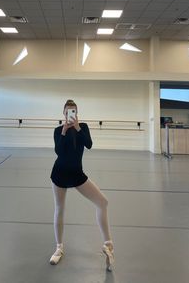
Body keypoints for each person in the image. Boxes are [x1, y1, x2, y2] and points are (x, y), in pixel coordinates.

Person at [50, 99, 115, 271]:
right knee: (59, 209)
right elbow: (59, 151)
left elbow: (89, 145)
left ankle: (108, 245)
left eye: (74, 111)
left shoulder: (83, 127)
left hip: (77, 174)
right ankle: (59, 248)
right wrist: (64, 132)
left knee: (103, 202)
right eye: (68, 111)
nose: (71, 114)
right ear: (63, 113)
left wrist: (77, 128)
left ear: (77, 113)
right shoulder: (58, 130)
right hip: (59, 174)